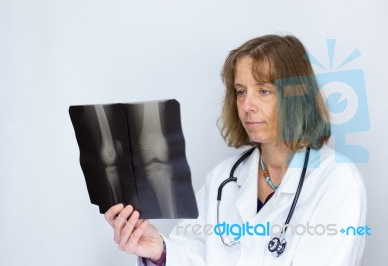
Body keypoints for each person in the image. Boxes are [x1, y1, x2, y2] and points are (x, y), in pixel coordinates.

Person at [104, 34, 367, 265]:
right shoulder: (223, 179)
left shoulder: (335, 181)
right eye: (241, 92)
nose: (247, 106)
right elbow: (193, 253)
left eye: (264, 91)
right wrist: (158, 251)